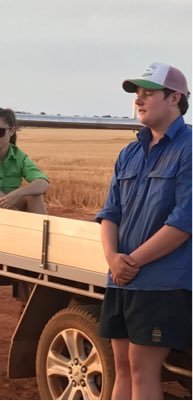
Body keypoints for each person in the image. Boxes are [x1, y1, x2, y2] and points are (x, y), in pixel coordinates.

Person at [96, 62, 191, 400]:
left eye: (148, 93)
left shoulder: (189, 148)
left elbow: (184, 222)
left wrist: (130, 261)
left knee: (142, 369)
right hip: (120, 278)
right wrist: (112, 258)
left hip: (162, 282)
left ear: (174, 97)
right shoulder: (130, 152)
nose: (139, 100)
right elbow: (111, 212)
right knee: (121, 366)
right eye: (137, 94)